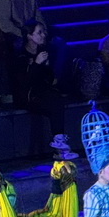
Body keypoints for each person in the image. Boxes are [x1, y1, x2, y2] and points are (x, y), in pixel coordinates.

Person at [10, 20, 76, 160]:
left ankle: (60, 147)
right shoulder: (20, 55)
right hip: (27, 96)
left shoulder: (44, 51)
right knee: (55, 102)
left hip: (43, 93)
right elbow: (23, 82)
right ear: (29, 35)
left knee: (57, 100)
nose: (43, 35)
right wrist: (36, 64)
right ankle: (59, 146)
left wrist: (46, 67)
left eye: (43, 32)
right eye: (39, 32)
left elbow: (49, 79)